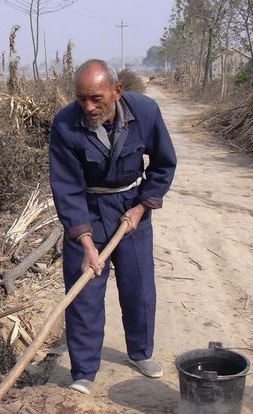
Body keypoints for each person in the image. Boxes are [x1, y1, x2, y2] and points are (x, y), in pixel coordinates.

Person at [49, 59, 176, 395]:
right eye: (81, 99)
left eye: (96, 98)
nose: (88, 107)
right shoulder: (64, 125)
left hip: (131, 208)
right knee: (84, 295)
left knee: (138, 287)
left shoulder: (145, 112)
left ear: (117, 91)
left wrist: (141, 206)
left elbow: (163, 164)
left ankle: (140, 353)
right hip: (88, 211)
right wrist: (86, 243)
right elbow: (67, 188)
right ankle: (84, 372)